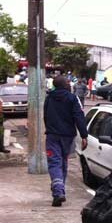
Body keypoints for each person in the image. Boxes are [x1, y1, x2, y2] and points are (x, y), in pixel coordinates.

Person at [43, 75, 88, 207]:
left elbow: (45, 116)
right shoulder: (72, 98)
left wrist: (50, 128)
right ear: (64, 85)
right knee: (62, 162)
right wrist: (84, 135)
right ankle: (59, 191)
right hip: (68, 136)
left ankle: (58, 192)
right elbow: (79, 116)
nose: (69, 84)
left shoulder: (49, 98)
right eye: (68, 82)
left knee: (54, 162)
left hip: (52, 135)